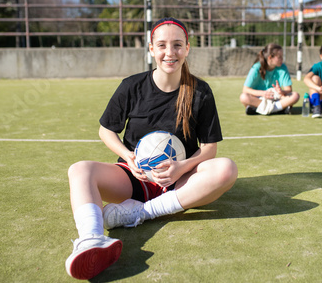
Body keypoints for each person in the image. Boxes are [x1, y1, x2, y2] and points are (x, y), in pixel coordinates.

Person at [65, 17, 238, 280]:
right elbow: (106, 130)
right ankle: (91, 240)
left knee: (227, 169)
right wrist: (128, 157)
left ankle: (142, 212)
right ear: (151, 49)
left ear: (188, 48)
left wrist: (182, 166)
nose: (170, 53)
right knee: (79, 170)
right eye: (162, 46)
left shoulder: (200, 91)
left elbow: (210, 147)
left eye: (178, 45)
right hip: (134, 178)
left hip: (181, 183)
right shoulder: (131, 86)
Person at [239, 43, 299, 115]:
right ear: (270, 57)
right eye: (279, 57)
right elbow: (245, 89)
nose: (282, 59)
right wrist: (263, 93)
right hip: (259, 98)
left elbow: (289, 90)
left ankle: (258, 109)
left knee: (295, 96)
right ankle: (278, 109)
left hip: (275, 98)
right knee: (243, 97)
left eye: (282, 56)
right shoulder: (256, 67)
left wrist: (281, 92)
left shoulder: (283, 68)